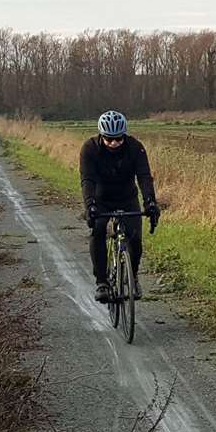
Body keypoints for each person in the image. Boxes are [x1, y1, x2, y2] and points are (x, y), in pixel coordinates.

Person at [79, 110, 160, 302]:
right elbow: (87, 179)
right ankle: (102, 282)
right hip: (101, 199)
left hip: (127, 197)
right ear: (101, 136)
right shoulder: (89, 148)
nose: (114, 143)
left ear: (124, 135)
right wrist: (89, 205)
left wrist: (150, 201)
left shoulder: (135, 148)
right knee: (98, 231)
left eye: (118, 139)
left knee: (135, 239)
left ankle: (132, 276)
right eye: (109, 139)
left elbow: (144, 177)